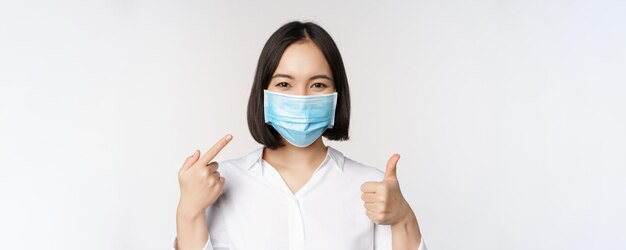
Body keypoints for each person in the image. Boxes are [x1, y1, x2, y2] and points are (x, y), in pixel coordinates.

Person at [174, 21, 427, 250]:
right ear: (264, 93)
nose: (302, 98)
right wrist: (188, 212)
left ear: (336, 95)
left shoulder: (371, 188)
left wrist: (403, 217)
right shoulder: (217, 183)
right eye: (284, 84)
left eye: (318, 84)